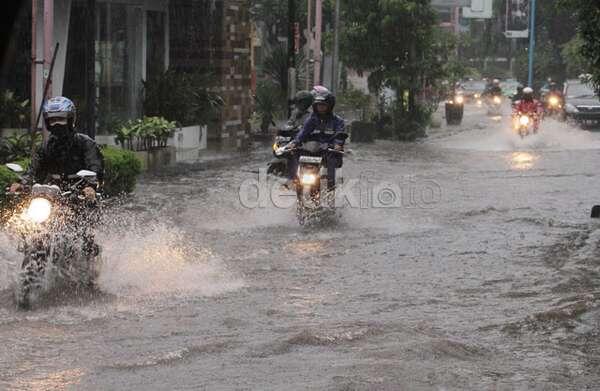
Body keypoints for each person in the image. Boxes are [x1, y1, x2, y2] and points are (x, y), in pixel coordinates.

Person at [10, 96, 104, 200]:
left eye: (60, 119)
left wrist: (90, 186)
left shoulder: (85, 143)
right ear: (48, 123)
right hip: (51, 193)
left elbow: (95, 168)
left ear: (70, 120)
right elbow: (34, 169)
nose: (57, 124)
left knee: (88, 208)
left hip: (80, 193)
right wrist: (22, 183)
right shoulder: (47, 146)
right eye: (53, 120)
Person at [286, 87, 347, 190]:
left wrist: (337, 144)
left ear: (330, 106)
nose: (320, 108)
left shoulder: (338, 121)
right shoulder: (312, 119)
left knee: (332, 160)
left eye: (323, 105)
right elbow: (303, 132)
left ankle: (330, 189)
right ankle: (293, 181)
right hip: (312, 150)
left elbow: (340, 134)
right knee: (293, 153)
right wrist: (295, 142)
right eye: (319, 105)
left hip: (327, 150)